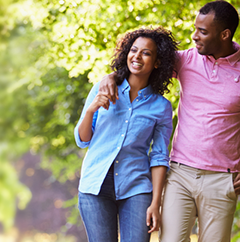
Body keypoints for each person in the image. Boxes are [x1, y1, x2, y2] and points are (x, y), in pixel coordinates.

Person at [99, 0, 240, 242]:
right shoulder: (185, 60)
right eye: (195, 28)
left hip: (222, 179)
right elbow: (141, 63)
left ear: (225, 35)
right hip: (179, 174)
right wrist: (111, 76)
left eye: (203, 32)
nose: (194, 36)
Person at [74, 27, 179, 242]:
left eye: (146, 53)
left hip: (136, 187)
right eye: (134, 50)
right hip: (95, 185)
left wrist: (155, 203)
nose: (137, 56)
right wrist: (91, 109)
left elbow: (159, 156)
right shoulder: (102, 88)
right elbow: (82, 139)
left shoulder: (161, 107)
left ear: (157, 62)